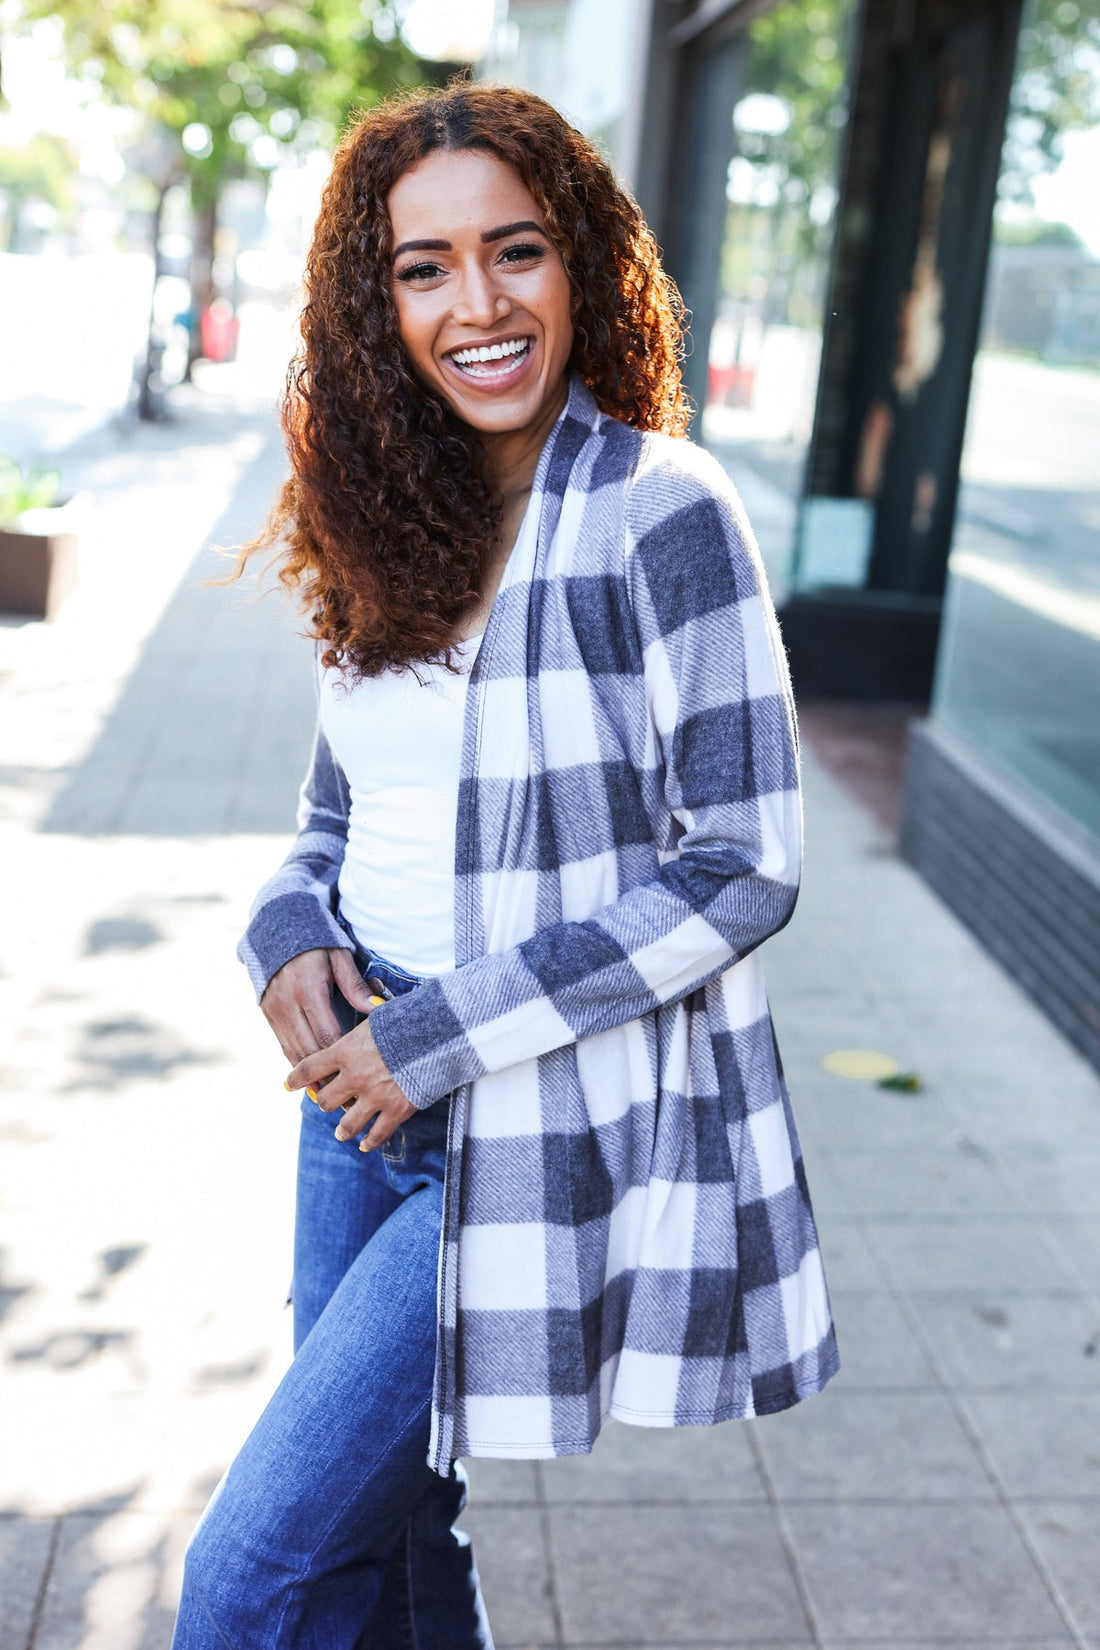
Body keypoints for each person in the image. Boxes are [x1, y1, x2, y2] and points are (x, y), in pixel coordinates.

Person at [172, 81, 838, 1650]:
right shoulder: (396, 508)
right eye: (423, 267)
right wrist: (280, 926)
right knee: (401, 1516)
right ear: (374, 298)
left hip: (516, 1100)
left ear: (582, 263)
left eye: (515, 251)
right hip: (356, 1095)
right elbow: (341, 806)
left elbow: (746, 862)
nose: (476, 304)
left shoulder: (661, 512)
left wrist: (434, 1036)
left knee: (250, 1571)